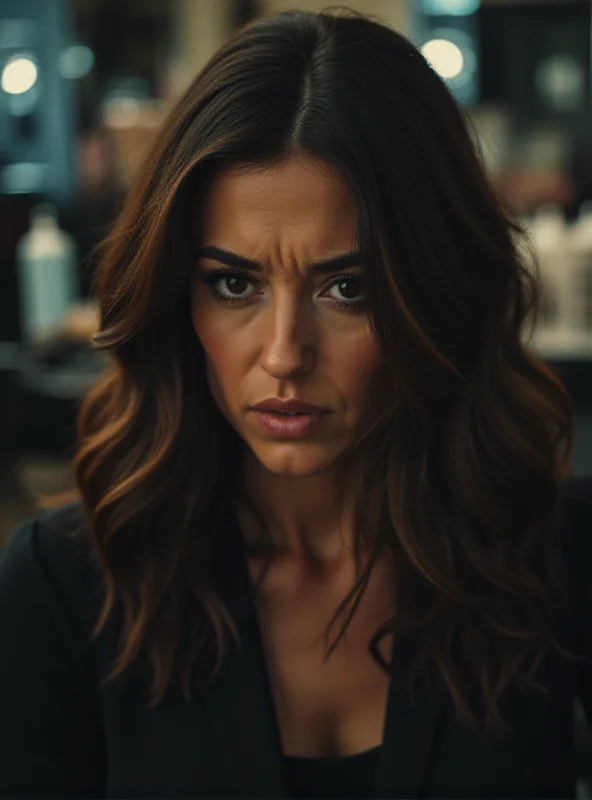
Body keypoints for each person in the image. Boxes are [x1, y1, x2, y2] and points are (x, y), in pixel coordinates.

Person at [0, 9, 590, 799]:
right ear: (181, 296)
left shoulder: (554, 558)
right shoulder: (65, 588)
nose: (283, 353)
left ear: (435, 292)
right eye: (234, 283)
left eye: (347, 288)